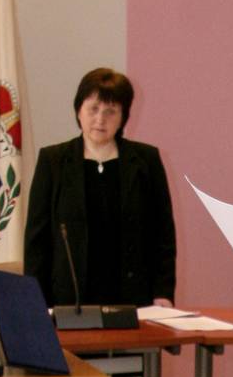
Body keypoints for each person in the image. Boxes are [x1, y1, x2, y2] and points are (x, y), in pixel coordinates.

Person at [25, 67, 176, 307]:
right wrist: (35, 300)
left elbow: (163, 234)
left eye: (110, 111)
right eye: (93, 109)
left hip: (135, 298)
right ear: (79, 110)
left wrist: (163, 292)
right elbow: (37, 242)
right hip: (68, 300)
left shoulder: (146, 160)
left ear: (123, 116)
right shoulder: (53, 161)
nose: (100, 119)